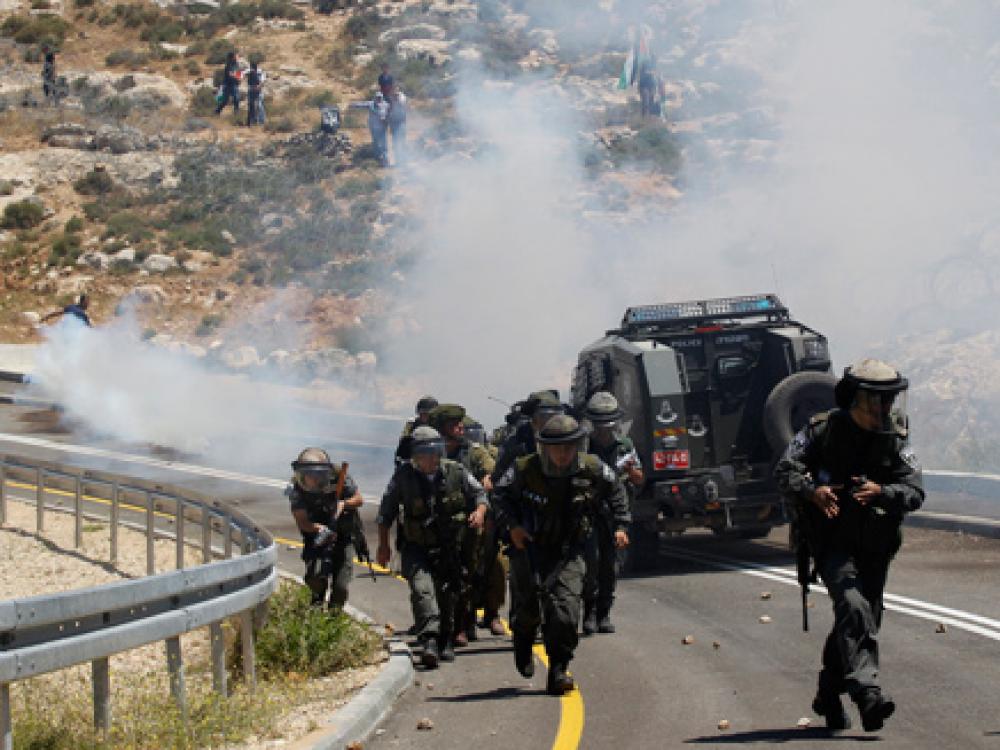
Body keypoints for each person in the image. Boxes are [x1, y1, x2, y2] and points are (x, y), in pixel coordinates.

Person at [775, 359, 924, 733]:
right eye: (877, 400)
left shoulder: (895, 436)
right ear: (856, 399)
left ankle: (828, 692)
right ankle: (867, 694)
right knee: (853, 606)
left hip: (876, 544)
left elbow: (914, 491)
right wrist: (813, 491)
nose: (885, 408)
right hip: (831, 542)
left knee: (863, 616)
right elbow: (785, 469)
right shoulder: (821, 430)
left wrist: (882, 492)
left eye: (890, 400)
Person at [493, 414, 630, 695]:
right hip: (529, 548)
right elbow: (499, 496)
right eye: (557, 448)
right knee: (528, 607)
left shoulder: (592, 467)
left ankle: (558, 668)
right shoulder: (524, 468)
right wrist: (514, 527)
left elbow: (616, 489)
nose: (563, 454)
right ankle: (523, 640)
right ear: (544, 447)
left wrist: (621, 526)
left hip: (569, 550)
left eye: (569, 447)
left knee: (566, 611)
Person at [376, 426, 489, 669]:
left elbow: (480, 494)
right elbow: (385, 514)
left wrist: (479, 512)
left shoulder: (456, 471)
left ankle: (446, 638)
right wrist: (383, 546)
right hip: (416, 546)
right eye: (426, 454)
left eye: (435, 452)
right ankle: (429, 640)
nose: (432, 459)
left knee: (448, 595)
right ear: (415, 456)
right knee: (422, 590)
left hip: (449, 547)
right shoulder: (403, 477)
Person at [428, 404, 498, 646]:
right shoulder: (430, 453)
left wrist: (484, 484)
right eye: (453, 425)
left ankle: (463, 623)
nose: (460, 428)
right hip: (437, 524)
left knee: (467, 572)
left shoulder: (473, 452)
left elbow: (489, 473)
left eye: (460, 424)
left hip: (469, 523)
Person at [581, 391, 643, 635]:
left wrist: (631, 470)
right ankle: (589, 612)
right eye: (600, 425)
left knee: (611, 566)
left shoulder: (625, 445)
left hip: (617, 515)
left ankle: (604, 613)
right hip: (590, 514)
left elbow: (639, 479)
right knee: (591, 564)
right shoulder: (585, 446)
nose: (605, 430)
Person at [287, 448, 364, 609]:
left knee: (341, 587)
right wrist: (319, 529)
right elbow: (302, 521)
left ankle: (334, 618)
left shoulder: (339, 477)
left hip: (343, 536)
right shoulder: (296, 489)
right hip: (316, 537)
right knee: (315, 580)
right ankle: (315, 612)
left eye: (317, 474)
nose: (313, 479)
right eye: (308, 475)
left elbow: (358, 499)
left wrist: (343, 504)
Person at [395, 395, 438, 467]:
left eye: (427, 414)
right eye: (422, 414)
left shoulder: (439, 426)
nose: (424, 417)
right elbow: (403, 443)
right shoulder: (412, 424)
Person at [368, 91, 390, 167]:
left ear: (382, 98)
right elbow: (361, 104)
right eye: (377, 98)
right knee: (376, 143)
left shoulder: (386, 105)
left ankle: (385, 159)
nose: (379, 99)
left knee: (384, 143)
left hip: (383, 128)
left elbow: (389, 114)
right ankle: (377, 159)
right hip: (374, 128)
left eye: (380, 97)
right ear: (375, 98)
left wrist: (386, 120)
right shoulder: (371, 104)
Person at [215, 51, 241, 116]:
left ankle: (236, 113)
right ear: (233, 57)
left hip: (234, 84)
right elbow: (230, 74)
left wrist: (239, 78)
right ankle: (217, 112)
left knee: (236, 99)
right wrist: (236, 76)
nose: (238, 57)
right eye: (236, 56)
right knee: (225, 101)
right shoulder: (229, 65)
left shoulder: (237, 64)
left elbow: (238, 72)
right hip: (228, 85)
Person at [387, 88, 407, 165]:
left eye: (396, 95)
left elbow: (402, 103)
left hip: (401, 124)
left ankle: (404, 160)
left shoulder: (401, 99)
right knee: (395, 143)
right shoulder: (391, 101)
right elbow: (389, 113)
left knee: (402, 142)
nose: (394, 96)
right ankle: (398, 160)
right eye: (394, 95)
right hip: (394, 124)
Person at [245, 61, 265, 126]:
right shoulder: (249, 71)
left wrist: (258, 87)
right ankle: (252, 121)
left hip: (257, 90)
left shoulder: (260, 72)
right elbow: (243, 74)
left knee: (259, 106)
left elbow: (262, 81)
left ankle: (261, 122)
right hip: (252, 90)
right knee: (252, 106)